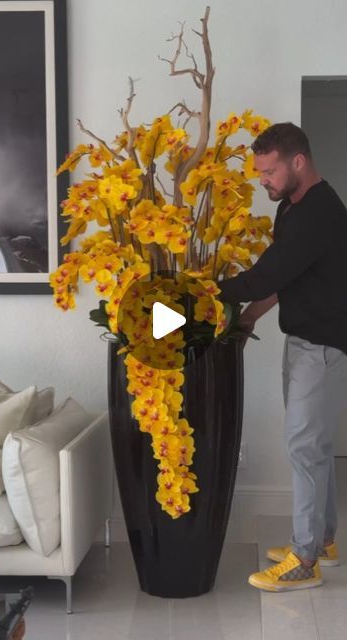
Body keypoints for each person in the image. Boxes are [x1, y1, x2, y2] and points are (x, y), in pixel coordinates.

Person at [218, 122, 347, 592]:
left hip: (325, 348)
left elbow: (262, 275)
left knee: (303, 446)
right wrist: (247, 320)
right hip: (301, 343)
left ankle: (305, 559)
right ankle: (324, 540)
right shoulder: (291, 211)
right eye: (259, 172)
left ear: (298, 162)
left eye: (269, 171)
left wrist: (201, 294)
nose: (262, 181)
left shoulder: (320, 213)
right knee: (311, 446)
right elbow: (284, 279)